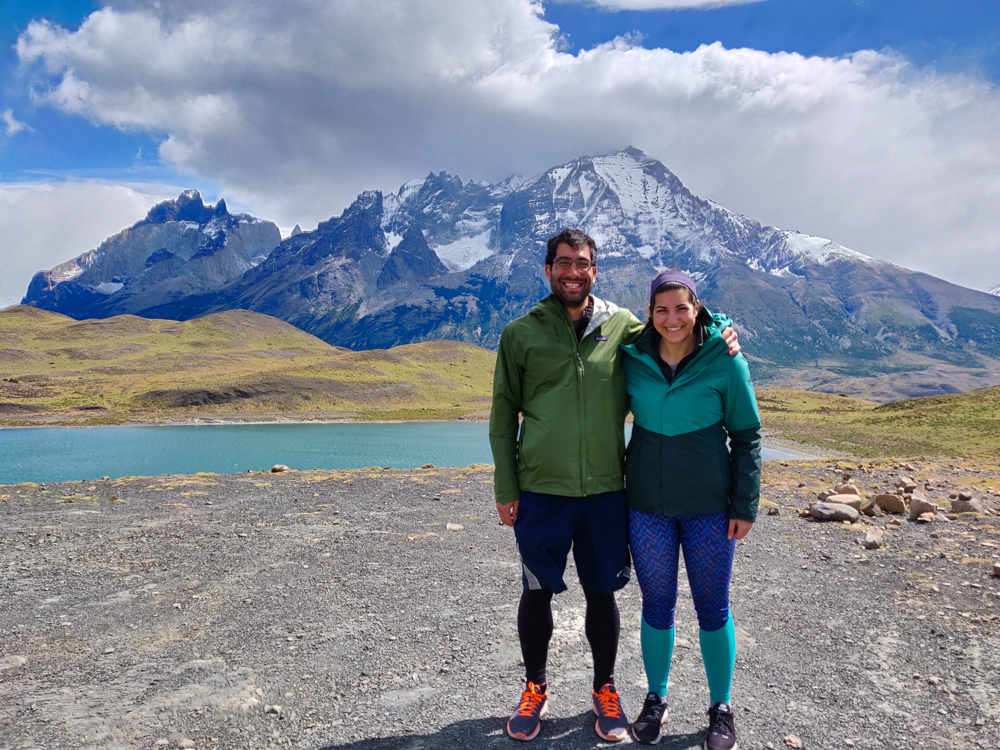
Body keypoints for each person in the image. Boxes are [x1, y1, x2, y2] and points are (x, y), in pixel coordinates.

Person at [489, 230, 740, 743]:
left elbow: (677, 331)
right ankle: (535, 687)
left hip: (606, 490)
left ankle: (605, 689)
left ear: (594, 271)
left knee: (603, 593)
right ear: (548, 271)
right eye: (563, 263)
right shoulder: (520, 333)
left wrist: (725, 329)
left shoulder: (624, 325)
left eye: (582, 263)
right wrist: (506, 485)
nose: (573, 272)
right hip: (542, 490)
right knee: (537, 592)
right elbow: (501, 416)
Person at [620, 270, 761, 749]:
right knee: (656, 607)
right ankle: (655, 698)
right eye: (661, 310)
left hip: (709, 510)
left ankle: (721, 706)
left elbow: (746, 435)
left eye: (681, 308)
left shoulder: (725, 359)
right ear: (650, 314)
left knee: (712, 609)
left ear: (696, 308)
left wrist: (744, 505)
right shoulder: (633, 358)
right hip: (647, 508)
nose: (672, 318)